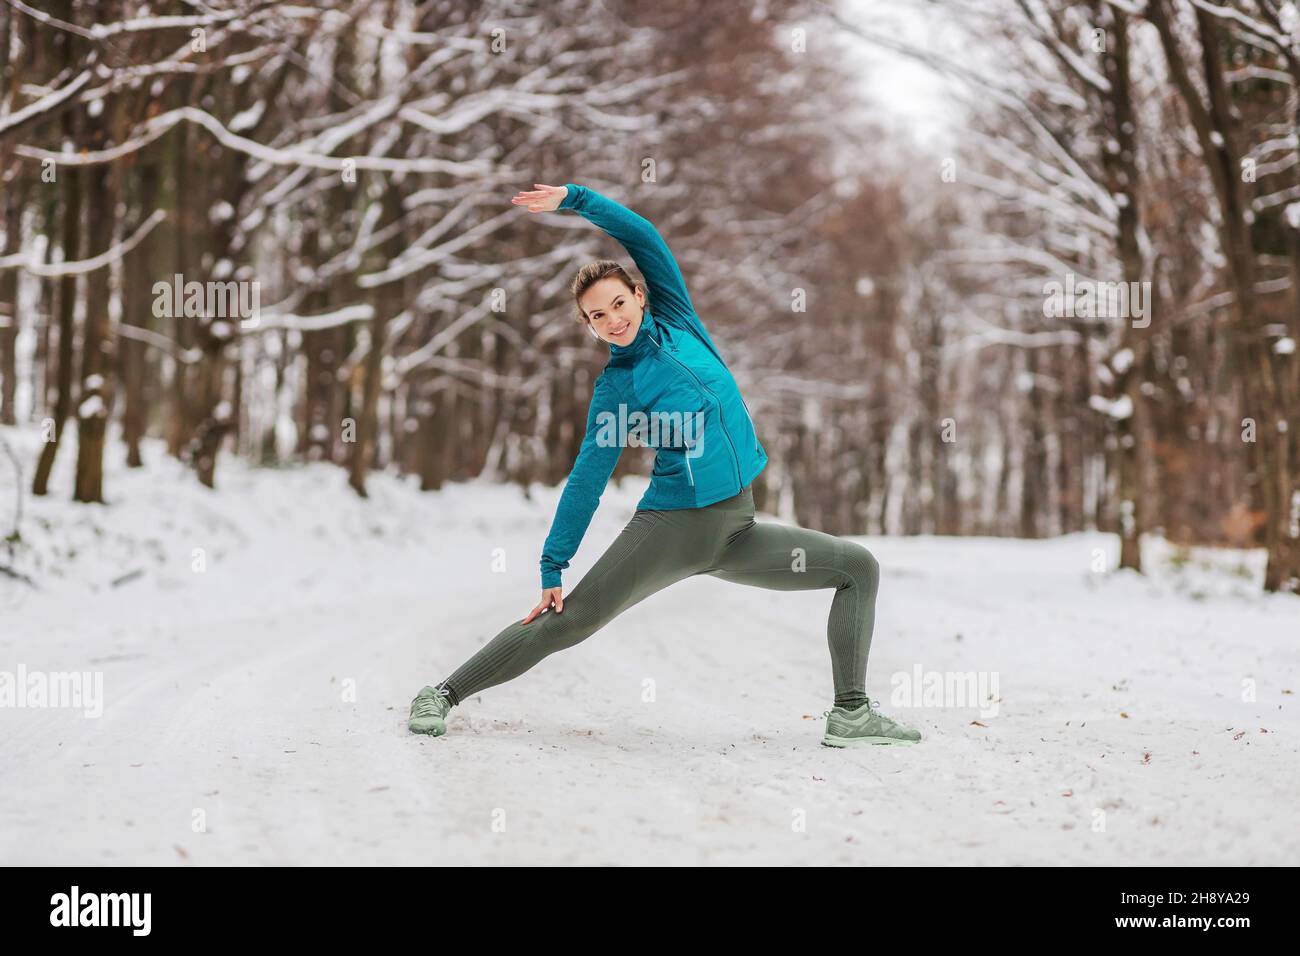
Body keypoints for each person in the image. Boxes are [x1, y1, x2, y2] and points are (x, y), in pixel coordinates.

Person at [408, 182, 921, 748]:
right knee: (572, 622)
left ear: (640, 295)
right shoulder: (619, 388)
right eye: (596, 315)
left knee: (858, 568)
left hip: (737, 529)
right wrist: (554, 565)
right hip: (673, 528)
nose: (612, 319)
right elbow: (588, 477)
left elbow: (643, 236)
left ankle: (851, 713)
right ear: (589, 325)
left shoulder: (680, 322)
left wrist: (576, 200)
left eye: (618, 303)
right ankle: (442, 694)